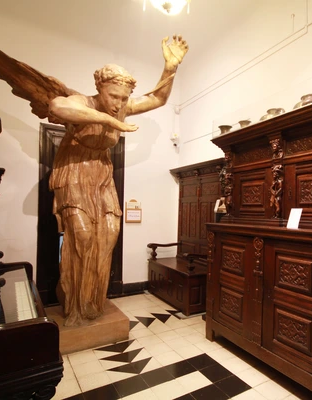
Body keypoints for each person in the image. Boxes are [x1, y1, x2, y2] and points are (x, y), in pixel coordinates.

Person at [48, 36, 188, 326]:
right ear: (99, 88)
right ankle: (73, 303)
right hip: (74, 170)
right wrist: (108, 121)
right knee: (82, 235)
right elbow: (57, 107)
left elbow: (158, 99)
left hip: (101, 174)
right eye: (113, 96)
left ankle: (93, 301)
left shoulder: (122, 107)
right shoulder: (82, 102)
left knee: (110, 233)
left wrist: (170, 68)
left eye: (124, 99)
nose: (119, 104)